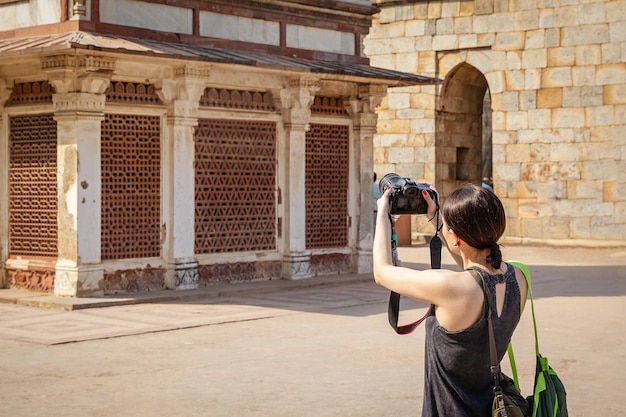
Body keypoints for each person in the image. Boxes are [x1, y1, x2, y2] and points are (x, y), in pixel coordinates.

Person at [373, 184, 528, 417]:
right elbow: (476, 270)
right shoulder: (518, 277)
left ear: (455, 237)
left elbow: (382, 272)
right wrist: (437, 219)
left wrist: (383, 214)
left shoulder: (451, 287)